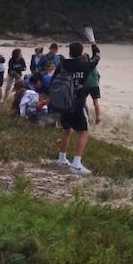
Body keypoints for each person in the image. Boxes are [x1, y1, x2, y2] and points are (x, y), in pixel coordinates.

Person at [56, 41, 100, 175]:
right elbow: (97, 56)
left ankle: (62, 158)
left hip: (63, 103)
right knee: (83, 132)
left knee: (67, 129)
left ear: (69, 51)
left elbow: (54, 82)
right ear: (81, 52)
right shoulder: (85, 66)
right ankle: (76, 163)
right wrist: (93, 43)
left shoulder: (63, 65)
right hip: (77, 104)